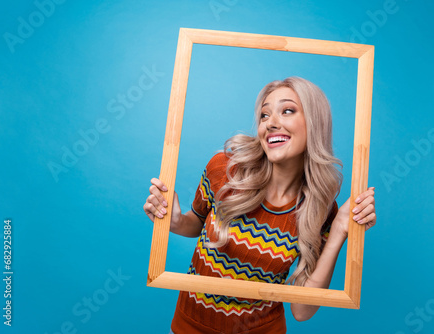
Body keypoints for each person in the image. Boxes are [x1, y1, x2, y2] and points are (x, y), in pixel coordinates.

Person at [143, 77, 376, 333]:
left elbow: (302, 310)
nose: (271, 123)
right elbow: (195, 222)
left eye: (287, 111)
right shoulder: (224, 169)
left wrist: (340, 230)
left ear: (315, 123)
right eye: (264, 115)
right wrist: (175, 221)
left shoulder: (320, 208)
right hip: (189, 326)